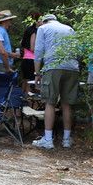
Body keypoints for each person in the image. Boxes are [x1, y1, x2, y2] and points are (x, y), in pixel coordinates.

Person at [32, 14, 79, 149]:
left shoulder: (43, 28)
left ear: (44, 21)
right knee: (67, 104)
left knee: (50, 103)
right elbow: (77, 51)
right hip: (72, 68)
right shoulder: (69, 29)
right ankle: (66, 140)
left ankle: (48, 140)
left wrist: (37, 73)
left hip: (53, 67)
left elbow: (38, 51)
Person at [20, 13, 40, 93]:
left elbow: (22, 42)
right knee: (30, 84)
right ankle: (29, 103)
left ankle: (22, 102)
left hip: (25, 59)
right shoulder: (34, 31)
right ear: (37, 21)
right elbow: (32, 48)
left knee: (25, 81)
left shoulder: (28, 30)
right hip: (31, 59)